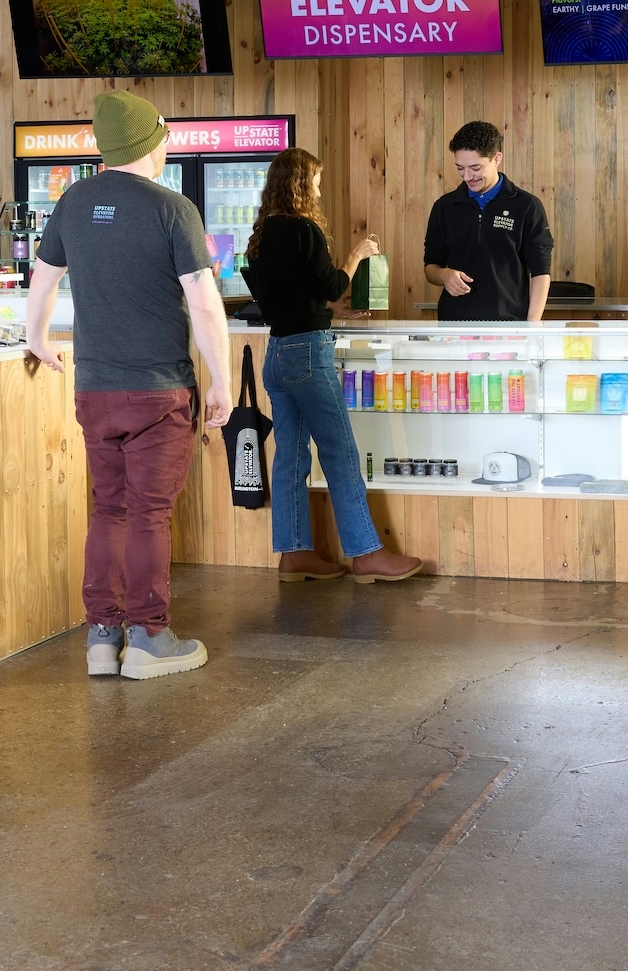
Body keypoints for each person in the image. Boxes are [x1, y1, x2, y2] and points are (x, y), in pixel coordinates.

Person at [25, 89, 231, 683]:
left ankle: (101, 638)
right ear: (151, 142)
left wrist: (37, 338)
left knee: (108, 509)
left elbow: (43, 280)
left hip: (94, 389)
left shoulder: (73, 203)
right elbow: (204, 304)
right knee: (148, 515)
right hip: (157, 390)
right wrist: (221, 380)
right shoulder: (172, 208)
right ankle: (149, 637)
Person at [242, 147, 428, 585]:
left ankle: (294, 555)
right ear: (301, 185)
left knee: (290, 457)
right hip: (308, 354)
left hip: (277, 354)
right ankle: (366, 553)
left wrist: (331, 311)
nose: (319, 191)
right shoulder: (304, 229)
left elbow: (286, 300)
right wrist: (357, 254)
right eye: (316, 182)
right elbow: (332, 283)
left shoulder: (261, 236)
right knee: (341, 453)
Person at [422, 120, 553, 322]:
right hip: (453, 325)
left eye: (475, 167)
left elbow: (540, 271)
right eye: (460, 168)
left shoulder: (527, 206)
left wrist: (532, 326)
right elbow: (431, 267)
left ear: (497, 158)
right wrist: (444, 275)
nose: (467, 177)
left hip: (510, 325)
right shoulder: (444, 207)